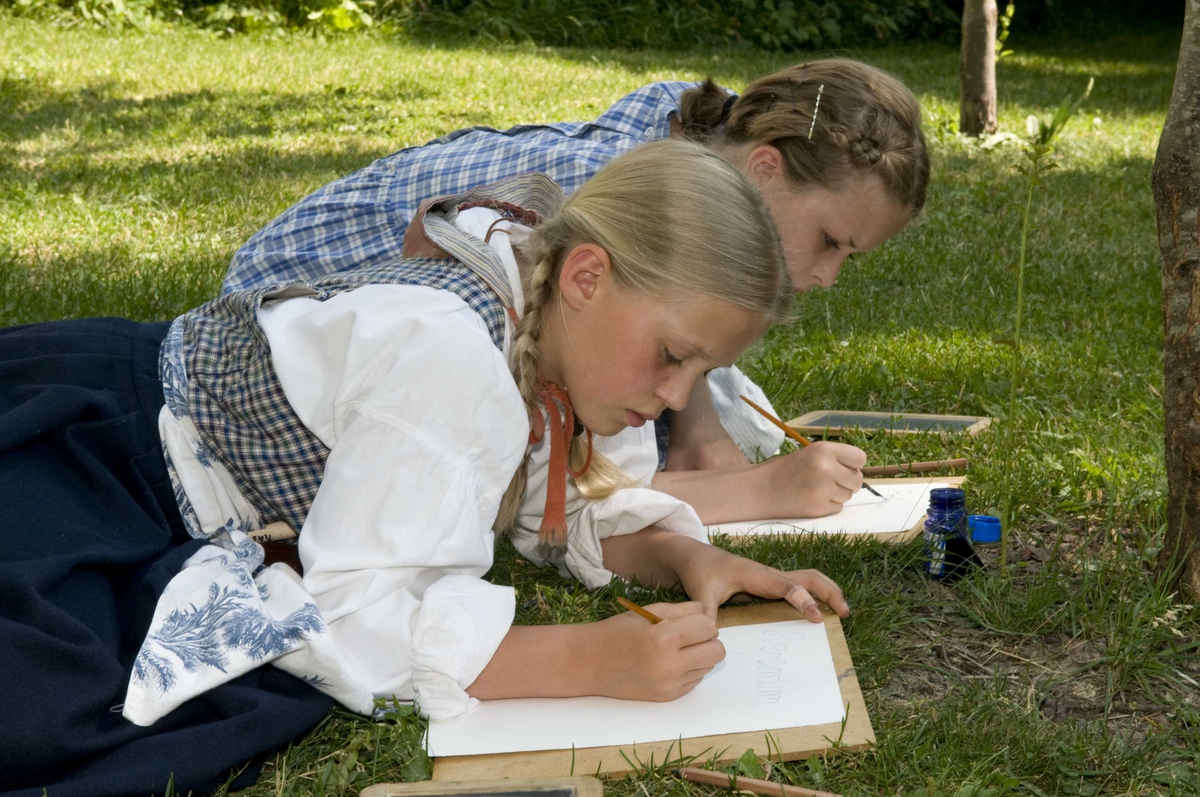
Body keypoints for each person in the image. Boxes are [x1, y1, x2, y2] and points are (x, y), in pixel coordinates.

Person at [1, 141, 849, 797]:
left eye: (698, 375)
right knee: (47, 709)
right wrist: (586, 661)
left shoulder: (550, 321)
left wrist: (691, 558)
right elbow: (355, 608)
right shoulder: (454, 358)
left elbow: (556, 509)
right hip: (102, 455)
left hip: (135, 449)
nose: (673, 398)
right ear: (589, 275)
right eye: (672, 357)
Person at [223, 59, 930, 524]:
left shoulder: (698, 145)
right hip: (279, 334)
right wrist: (757, 491)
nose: (828, 275)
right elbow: (560, 486)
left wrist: (700, 431)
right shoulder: (616, 202)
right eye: (831, 241)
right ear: (766, 169)